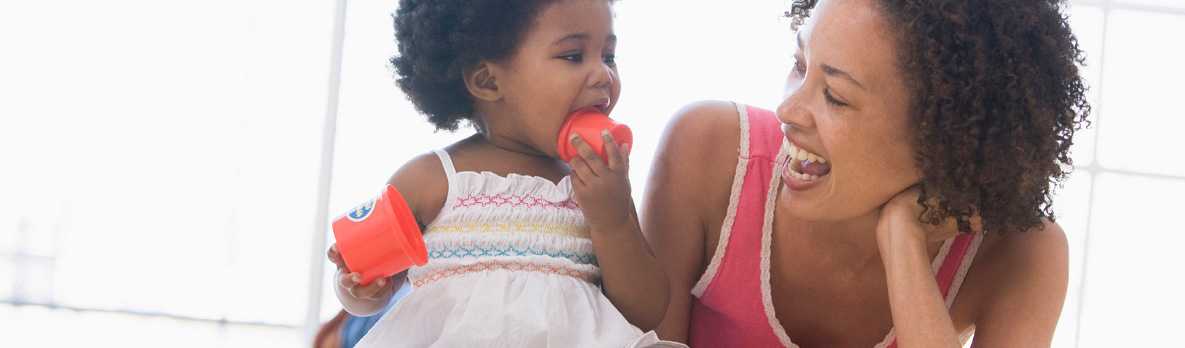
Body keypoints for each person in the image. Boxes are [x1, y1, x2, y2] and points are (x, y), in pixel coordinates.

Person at [644, 0, 1090, 346]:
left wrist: (903, 241)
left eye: (835, 96)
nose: (787, 110)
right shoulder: (709, 155)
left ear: (944, 136)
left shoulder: (1019, 255)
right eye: (800, 64)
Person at [326, 0, 677, 346]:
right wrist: (357, 288)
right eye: (573, 56)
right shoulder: (430, 179)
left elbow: (643, 312)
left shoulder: (598, 185)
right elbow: (366, 288)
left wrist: (613, 220)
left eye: (608, 57)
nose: (603, 75)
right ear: (488, 81)